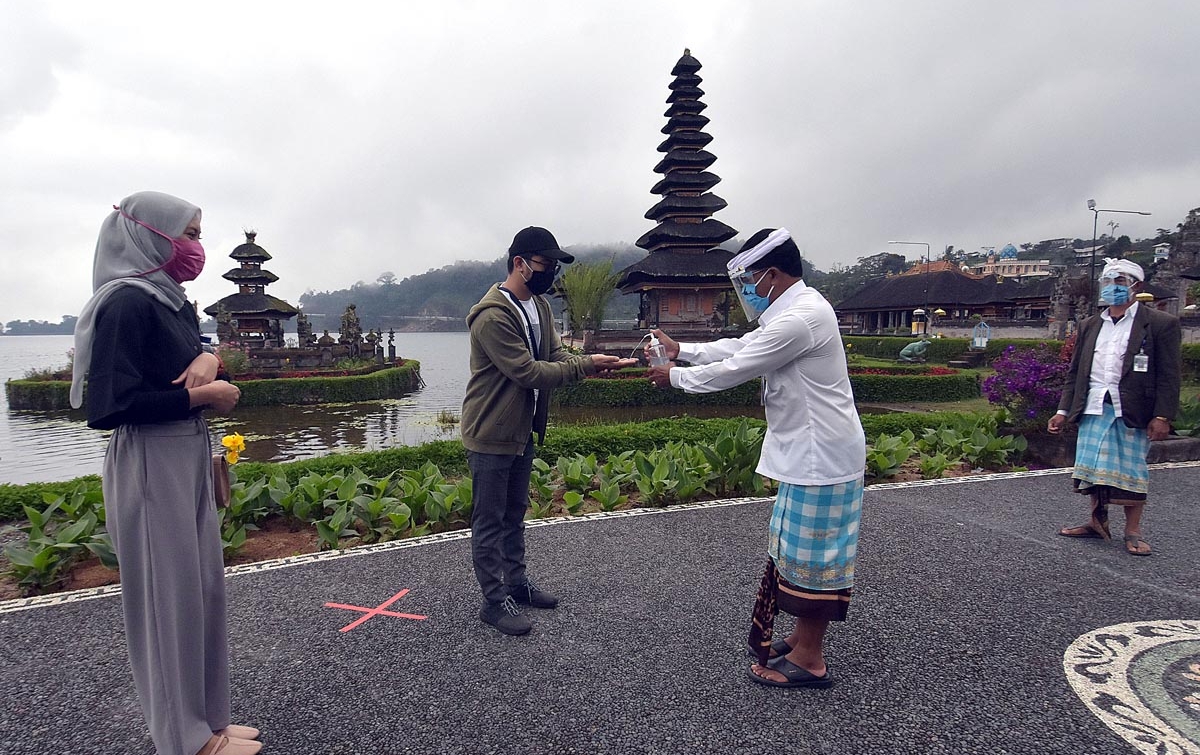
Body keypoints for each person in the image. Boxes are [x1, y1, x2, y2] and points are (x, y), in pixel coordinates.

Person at [70, 192, 260, 755]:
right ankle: (184, 739)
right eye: (189, 233)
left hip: (185, 452)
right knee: (165, 602)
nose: (196, 247)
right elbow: (108, 407)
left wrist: (209, 359)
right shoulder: (126, 302)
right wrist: (202, 396)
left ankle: (210, 722)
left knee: (200, 591)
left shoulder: (169, 300)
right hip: (151, 457)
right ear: (148, 235)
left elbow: (181, 365)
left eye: (199, 234)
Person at [646, 227, 866, 689]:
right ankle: (804, 638)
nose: (747, 290)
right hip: (811, 456)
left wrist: (677, 378)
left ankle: (811, 659)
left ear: (770, 274)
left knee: (815, 557)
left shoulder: (799, 319)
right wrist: (682, 350)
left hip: (820, 456)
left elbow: (737, 368)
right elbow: (744, 347)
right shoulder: (792, 313)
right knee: (796, 552)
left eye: (749, 280)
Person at [461, 226, 635, 635]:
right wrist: (587, 365)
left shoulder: (538, 307)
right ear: (519, 263)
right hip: (490, 431)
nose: (550, 272)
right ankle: (493, 600)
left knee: (514, 515)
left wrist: (589, 360)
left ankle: (517, 584)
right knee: (488, 520)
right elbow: (527, 372)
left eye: (554, 265)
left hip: (521, 430)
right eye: (544, 264)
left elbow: (554, 355)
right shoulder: (491, 316)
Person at [1048, 258, 1181, 556]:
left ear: (1137, 286)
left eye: (1120, 282)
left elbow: (1170, 374)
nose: (1113, 288)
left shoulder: (1160, 324)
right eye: (1108, 282)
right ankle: (1097, 522)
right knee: (1094, 468)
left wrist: (1162, 415)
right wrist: (1063, 410)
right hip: (1095, 404)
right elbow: (1076, 372)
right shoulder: (1090, 325)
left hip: (1132, 408)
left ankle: (1133, 531)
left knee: (1130, 468)